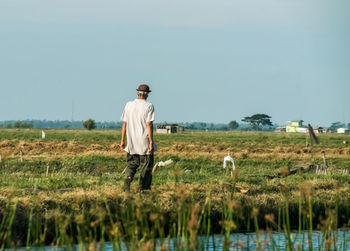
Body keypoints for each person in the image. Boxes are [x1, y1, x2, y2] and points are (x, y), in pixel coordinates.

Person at [120, 84, 156, 192]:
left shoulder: (128, 105)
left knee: (132, 163)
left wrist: (122, 140)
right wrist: (151, 142)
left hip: (131, 140)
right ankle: (143, 188)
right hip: (143, 140)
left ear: (137, 93)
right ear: (147, 94)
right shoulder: (149, 106)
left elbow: (124, 124)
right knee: (147, 164)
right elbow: (149, 124)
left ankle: (128, 178)